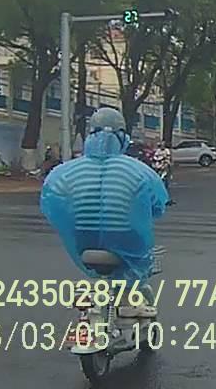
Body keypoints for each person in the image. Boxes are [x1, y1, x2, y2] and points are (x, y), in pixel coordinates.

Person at [40, 107, 168, 316]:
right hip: (128, 243)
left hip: (84, 244)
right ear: (122, 136)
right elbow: (158, 206)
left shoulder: (62, 173)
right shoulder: (141, 171)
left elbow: (51, 205)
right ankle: (129, 304)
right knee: (141, 264)